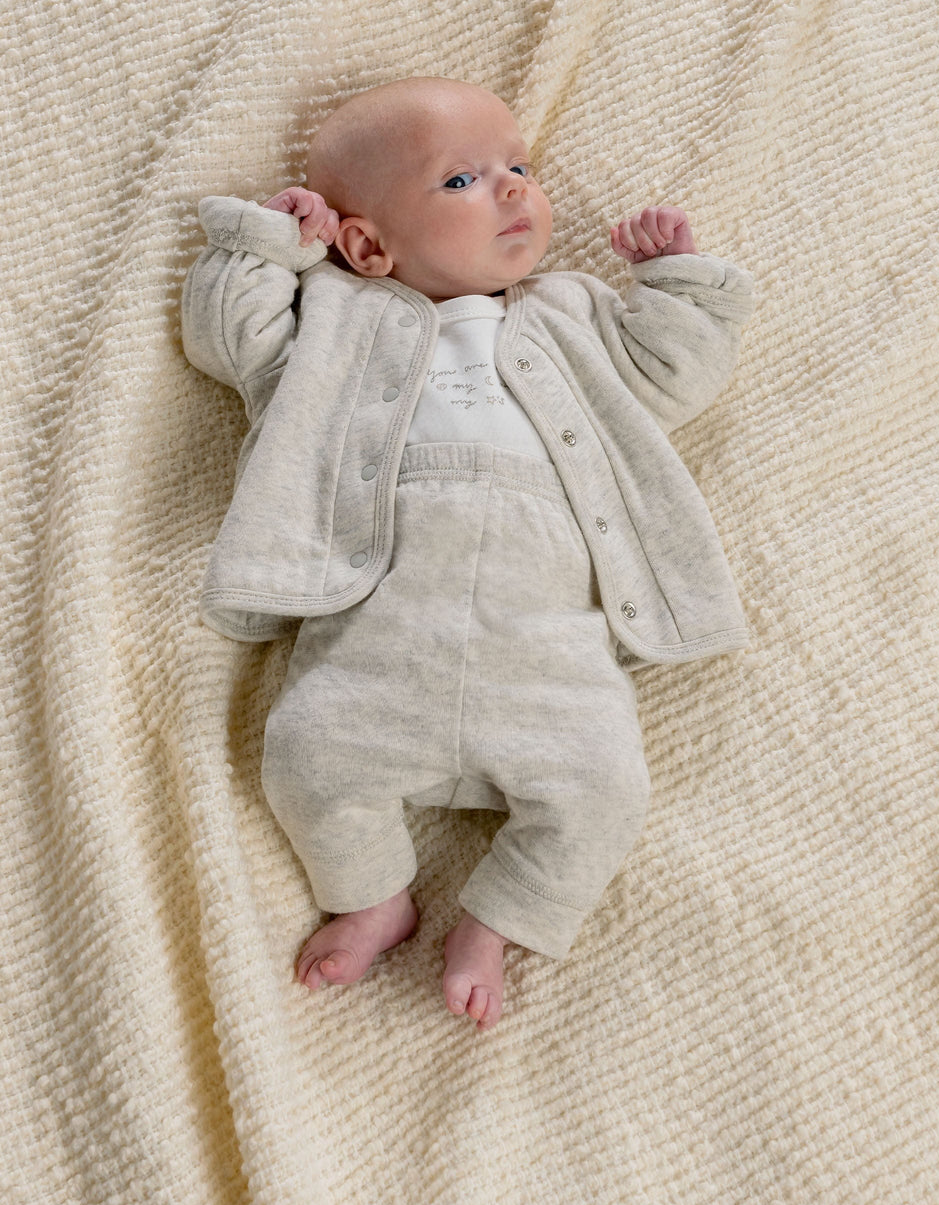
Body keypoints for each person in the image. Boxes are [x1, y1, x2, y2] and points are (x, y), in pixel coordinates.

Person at [182, 76, 753, 1030]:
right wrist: (270, 244)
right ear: (369, 246)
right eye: (463, 180)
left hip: (553, 650)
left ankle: (496, 922)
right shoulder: (333, 317)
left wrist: (675, 281)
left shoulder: (572, 313)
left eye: (518, 167)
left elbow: (673, 377)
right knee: (307, 758)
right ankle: (372, 897)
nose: (514, 188)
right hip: (378, 636)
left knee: (608, 793)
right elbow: (228, 338)